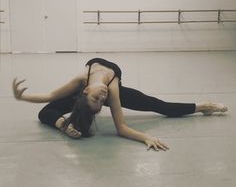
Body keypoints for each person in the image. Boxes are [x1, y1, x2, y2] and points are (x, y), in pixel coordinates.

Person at [12, 58, 228, 151]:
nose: (103, 97)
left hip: (96, 94)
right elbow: (121, 127)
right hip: (85, 97)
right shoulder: (98, 88)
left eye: (99, 99)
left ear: (86, 91)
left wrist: (21, 97)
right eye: (101, 101)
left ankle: (204, 106)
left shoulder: (95, 85)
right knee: (45, 112)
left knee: (159, 105)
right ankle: (65, 125)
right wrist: (147, 138)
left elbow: (49, 93)